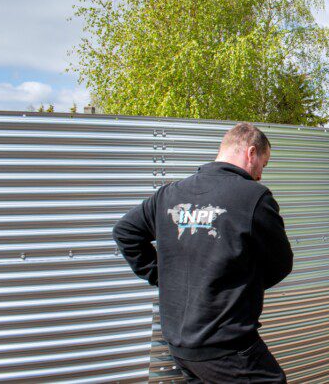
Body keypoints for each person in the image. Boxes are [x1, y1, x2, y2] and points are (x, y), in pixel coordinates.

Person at [113, 123, 293, 383]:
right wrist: (236, 288)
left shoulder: (169, 194)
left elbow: (125, 232)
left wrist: (162, 277)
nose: (260, 175)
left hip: (179, 344)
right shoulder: (254, 197)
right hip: (227, 346)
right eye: (263, 165)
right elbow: (281, 264)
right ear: (251, 153)